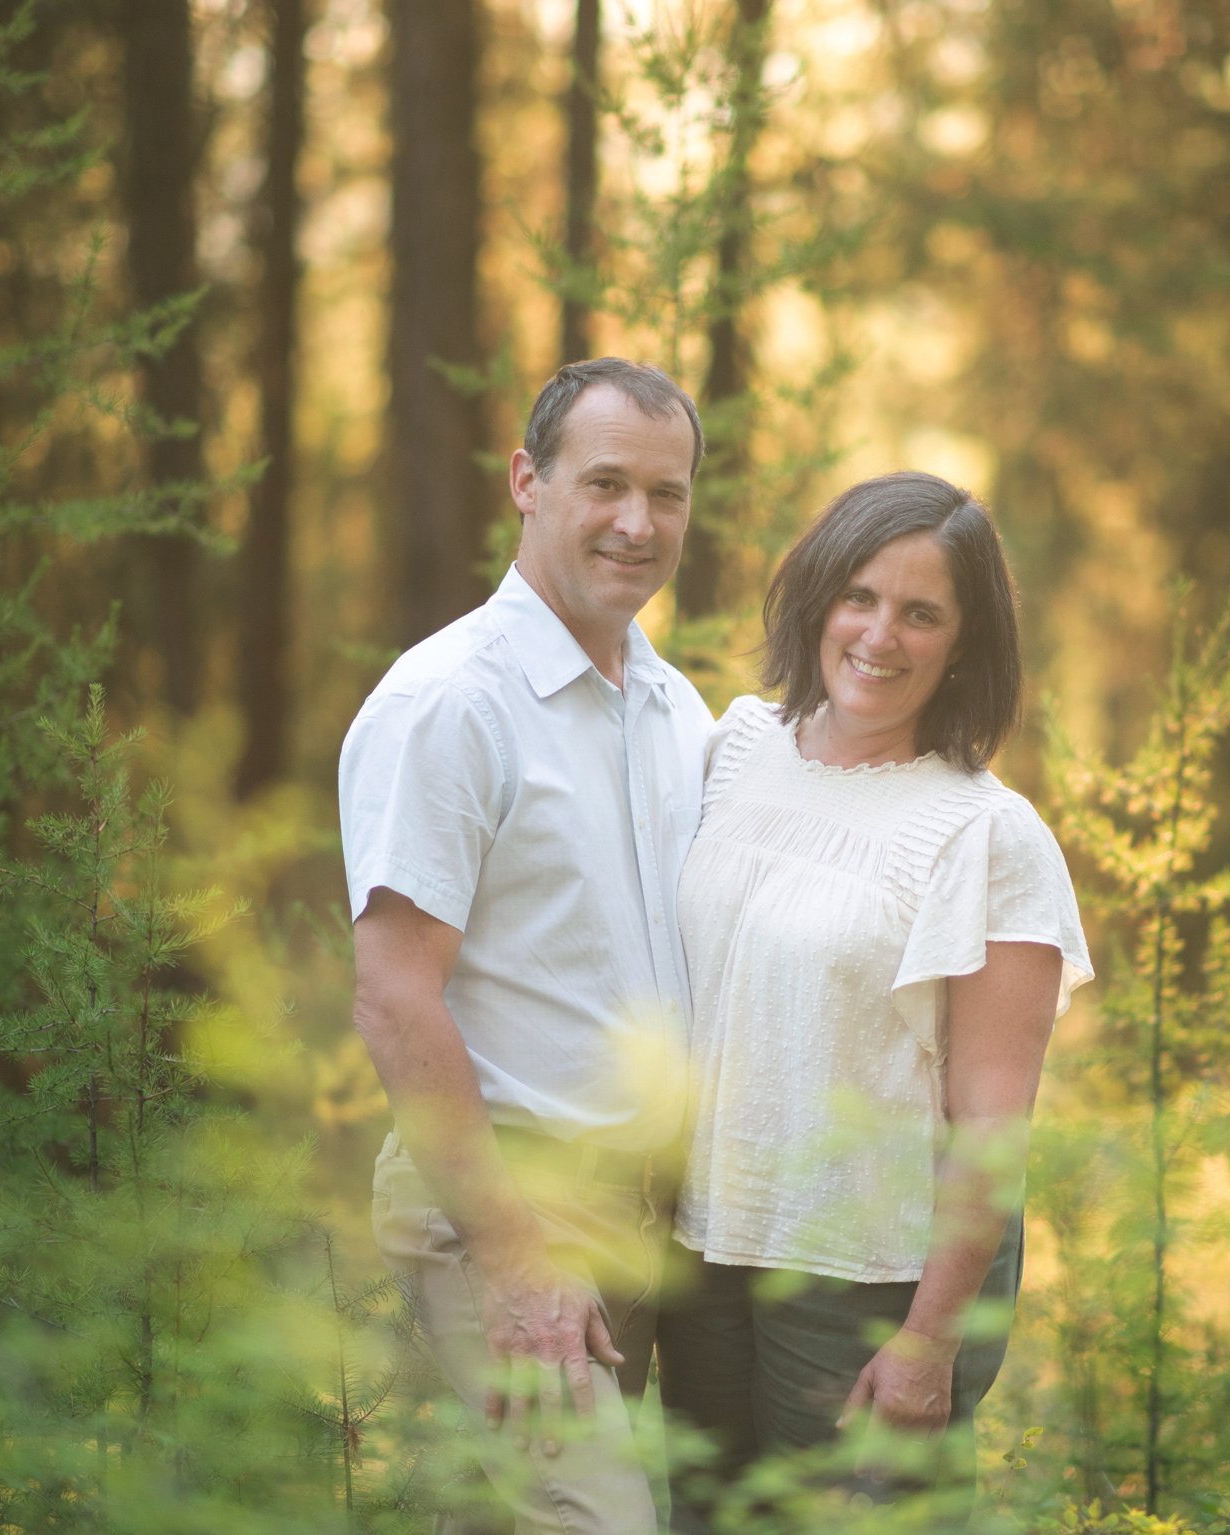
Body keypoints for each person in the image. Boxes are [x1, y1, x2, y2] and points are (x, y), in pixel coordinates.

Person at [657, 471, 1091, 1528]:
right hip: (702, 1250)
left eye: (920, 612)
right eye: (858, 594)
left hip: (862, 1282)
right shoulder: (737, 749)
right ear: (815, 598)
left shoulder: (984, 836)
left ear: (962, 642)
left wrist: (930, 1337)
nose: (878, 633)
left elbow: (991, 1127)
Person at [340, 358, 712, 1534]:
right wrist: (513, 1256)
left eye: (667, 493)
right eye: (603, 483)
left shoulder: (674, 710)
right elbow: (395, 999)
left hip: (644, 1213)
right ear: (526, 482)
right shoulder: (453, 702)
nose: (635, 522)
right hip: (502, 1202)